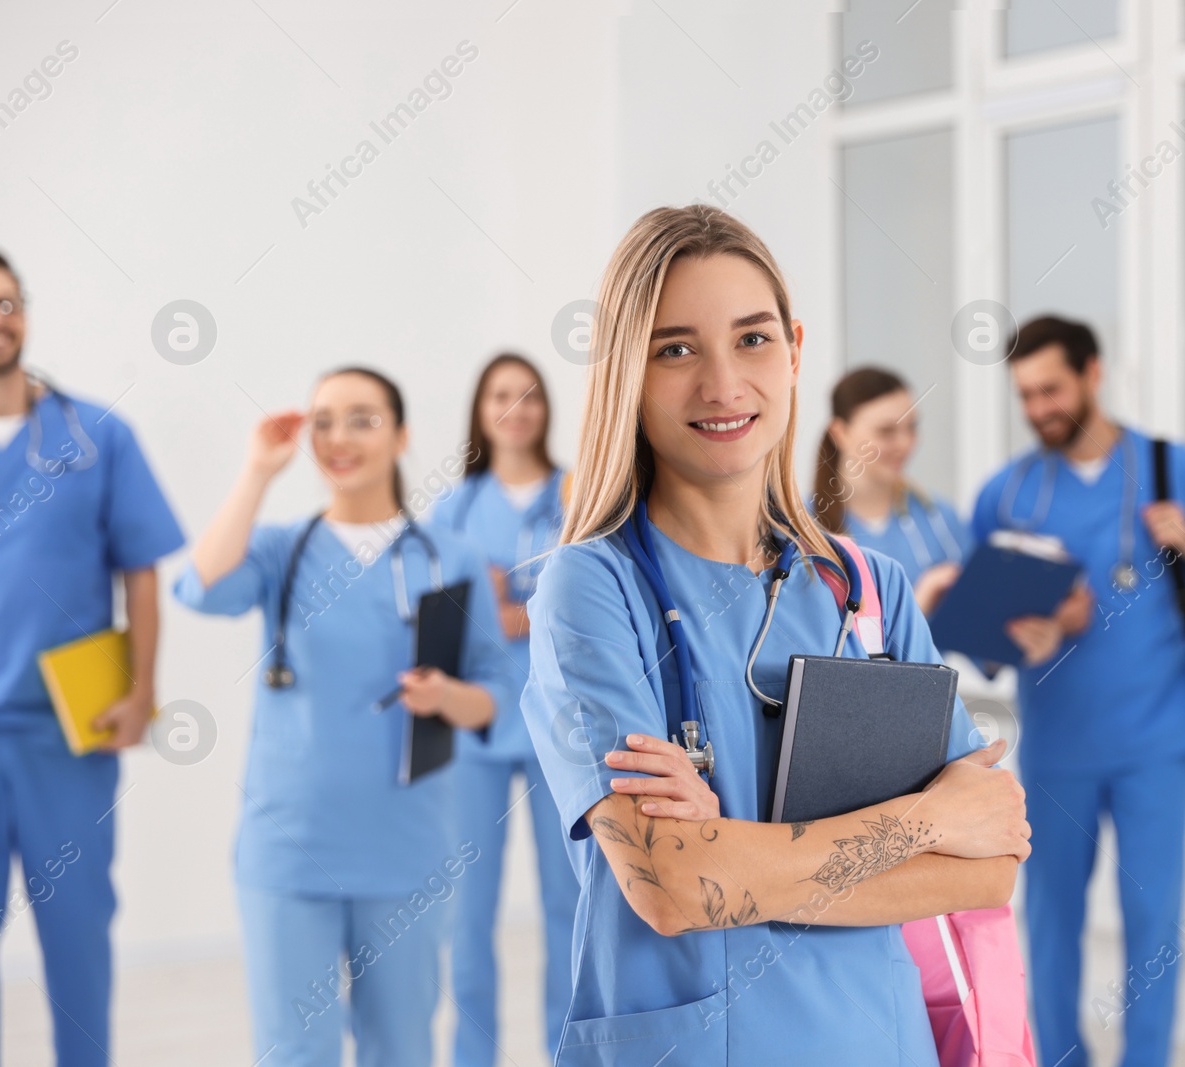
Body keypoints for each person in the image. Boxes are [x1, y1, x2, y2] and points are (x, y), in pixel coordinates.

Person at [518, 204, 1031, 1067]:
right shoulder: (592, 589)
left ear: (794, 349)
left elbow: (987, 866)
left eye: (752, 339)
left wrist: (737, 859)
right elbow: (671, 886)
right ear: (626, 374)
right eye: (675, 348)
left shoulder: (868, 590)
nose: (723, 384)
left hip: (880, 1041)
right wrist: (922, 820)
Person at [173, 367, 516, 1067]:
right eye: (324, 419)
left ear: (401, 434)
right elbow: (200, 586)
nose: (339, 436)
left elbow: (498, 692)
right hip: (289, 847)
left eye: (362, 417)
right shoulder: (276, 550)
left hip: (407, 846)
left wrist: (449, 698)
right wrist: (256, 472)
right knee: (294, 1049)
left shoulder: (450, 558)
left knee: (401, 1048)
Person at [969, 315, 1185, 1067]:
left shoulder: (1173, 467)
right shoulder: (1005, 494)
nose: (1040, 406)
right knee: (1051, 924)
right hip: (1057, 743)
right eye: (1026, 394)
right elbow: (981, 632)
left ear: (1092, 374)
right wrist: (1027, 631)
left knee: (1153, 923)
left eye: (1051, 387)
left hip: (1156, 740)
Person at [0, 250, 185, 1067]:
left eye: (7, 301)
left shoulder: (96, 436)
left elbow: (141, 569)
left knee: (76, 932)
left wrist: (143, 690)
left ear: (25, 314)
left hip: (70, 732)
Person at [430, 352, 578, 1063]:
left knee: (568, 906)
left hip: (559, 727)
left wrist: (527, 611)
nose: (515, 410)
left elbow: (598, 593)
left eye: (528, 397)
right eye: (499, 396)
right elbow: (428, 620)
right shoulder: (452, 510)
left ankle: (567, 1050)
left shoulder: (578, 495)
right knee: (469, 913)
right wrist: (478, 608)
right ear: (480, 410)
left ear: (545, 409)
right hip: (476, 728)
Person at [812, 366, 972, 615]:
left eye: (911, 428)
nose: (905, 443)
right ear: (840, 433)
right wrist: (919, 604)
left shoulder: (940, 519)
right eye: (886, 431)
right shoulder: (802, 529)